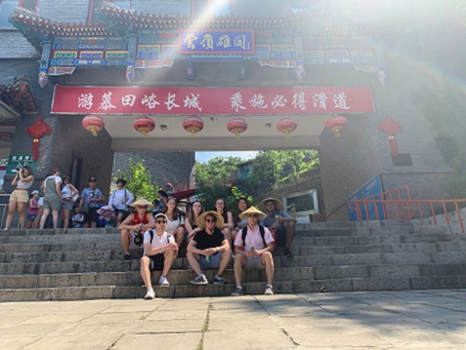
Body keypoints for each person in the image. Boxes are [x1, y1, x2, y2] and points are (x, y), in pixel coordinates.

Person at [231, 206, 275, 296]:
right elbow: (236, 249)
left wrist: (260, 251)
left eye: (254, 216)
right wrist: (244, 253)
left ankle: (269, 286)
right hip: (247, 259)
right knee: (238, 257)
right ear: (247, 218)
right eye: (250, 216)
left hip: (260, 258)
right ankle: (238, 287)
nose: (252, 218)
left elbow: (271, 246)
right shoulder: (242, 232)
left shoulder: (264, 230)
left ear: (257, 218)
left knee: (268, 254)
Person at [187, 211, 232, 285]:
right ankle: (201, 276)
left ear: (215, 222)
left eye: (212, 220)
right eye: (208, 220)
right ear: (205, 222)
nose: (210, 222)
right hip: (202, 259)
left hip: (216, 258)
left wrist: (216, 249)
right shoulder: (199, 233)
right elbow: (189, 247)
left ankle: (218, 276)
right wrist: (201, 252)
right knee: (189, 253)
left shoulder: (219, 232)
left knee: (229, 252)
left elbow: (227, 245)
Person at [140, 213, 178, 299]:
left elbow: (174, 254)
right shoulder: (148, 234)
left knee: (171, 250)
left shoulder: (169, 236)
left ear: (166, 223)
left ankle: (163, 277)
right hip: (151, 258)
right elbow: (148, 252)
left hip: (163, 258)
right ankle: (149, 289)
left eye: (163, 221)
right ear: (155, 223)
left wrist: (175, 249)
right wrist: (165, 247)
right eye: (159, 221)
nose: (161, 223)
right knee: (143, 259)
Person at [4, 165, 34, 230]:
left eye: (24, 170)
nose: (23, 171)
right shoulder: (20, 177)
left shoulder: (30, 177)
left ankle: (21, 227)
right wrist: (17, 175)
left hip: (23, 192)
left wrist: (20, 173)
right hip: (15, 191)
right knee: (11, 211)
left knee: (21, 211)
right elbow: (13, 183)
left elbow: (23, 180)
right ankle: (6, 227)